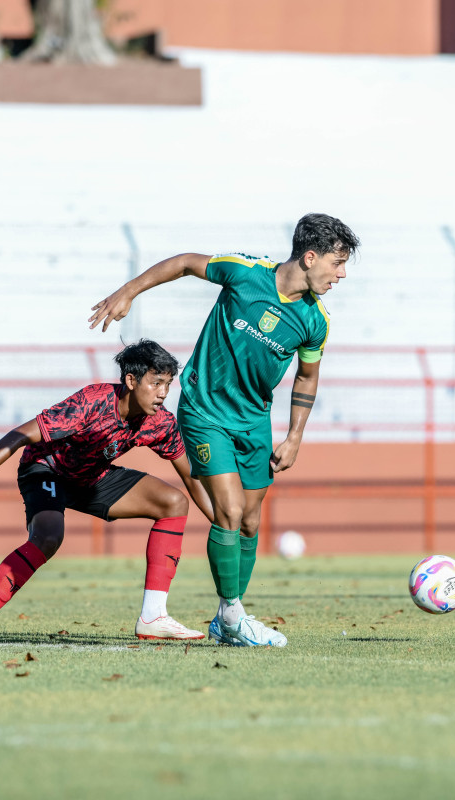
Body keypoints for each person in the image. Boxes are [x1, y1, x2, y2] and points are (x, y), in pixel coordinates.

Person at [88, 213, 360, 647]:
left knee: (250, 523)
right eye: (337, 263)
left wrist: (294, 436)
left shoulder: (316, 321)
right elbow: (183, 263)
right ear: (310, 258)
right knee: (229, 512)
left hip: (253, 422)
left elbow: (307, 378)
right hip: (205, 410)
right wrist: (128, 291)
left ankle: (224, 619)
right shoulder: (244, 272)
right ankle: (235, 616)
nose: (342, 274)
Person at [0, 339, 214, 647]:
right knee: (47, 537)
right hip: (46, 469)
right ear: (131, 380)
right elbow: (18, 436)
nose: (163, 393)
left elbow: (191, 477)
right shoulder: (92, 402)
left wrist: (223, 524)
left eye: (167, 384)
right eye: (156, 383)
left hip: (90, 477)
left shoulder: (160, 421)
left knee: (173, 502)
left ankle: (153, 616)